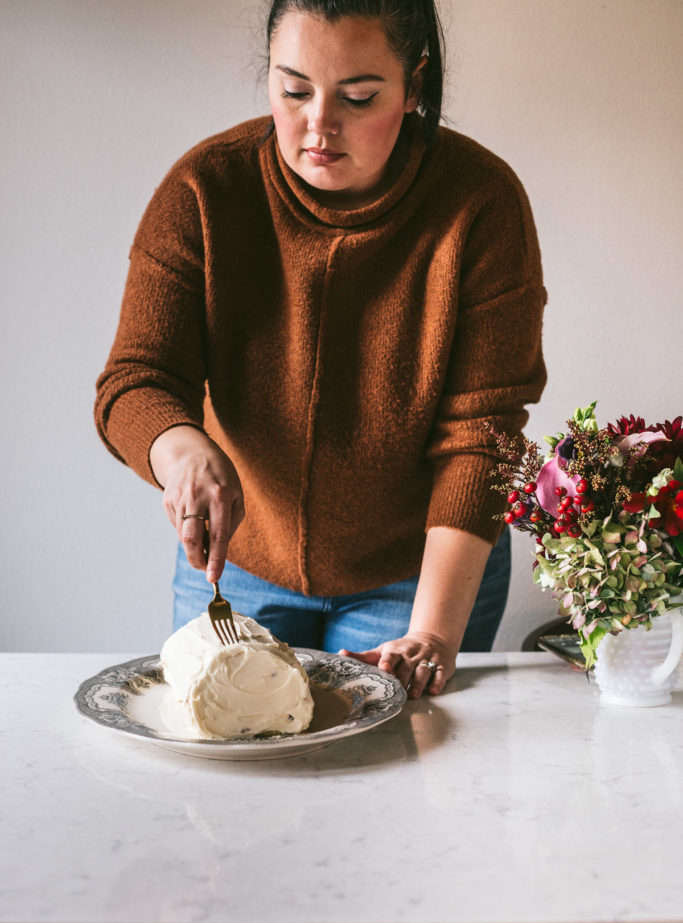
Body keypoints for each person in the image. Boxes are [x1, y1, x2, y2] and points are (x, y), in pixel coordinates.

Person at [94, 0, 547, 699]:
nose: (317, 125)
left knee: (394, 791)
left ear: (414, 87)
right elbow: (136, 379)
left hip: (418, 572)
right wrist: (181, 450)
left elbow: (481, 440)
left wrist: (428, 633)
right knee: (232, 790)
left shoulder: (479, 204)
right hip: (237, 568)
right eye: (293, 89)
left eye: (358, 97)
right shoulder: (204, 190)